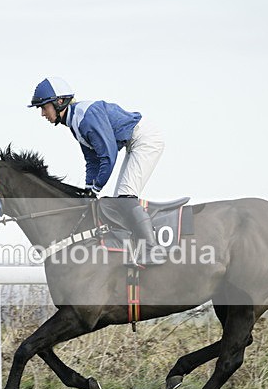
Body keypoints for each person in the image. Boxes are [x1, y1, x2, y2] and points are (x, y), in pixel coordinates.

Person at [28, 77, 166, 265]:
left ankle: (153, 250)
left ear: (59, 102)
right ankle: (134, 248)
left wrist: (96, 188)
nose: (43, 113)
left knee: (125, 198)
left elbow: (108, 155)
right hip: (134, 141)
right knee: (121, 200)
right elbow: (92, 161)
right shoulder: (75, 122)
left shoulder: (85, 118)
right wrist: (88, 190)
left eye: (44, 107)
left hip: (145, 139)